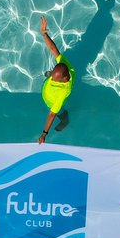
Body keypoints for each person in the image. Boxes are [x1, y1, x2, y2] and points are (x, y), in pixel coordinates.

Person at [36, 16, 75, 144]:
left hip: (51, 102)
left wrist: (44, 133)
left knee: (60, 112)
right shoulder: (66, 66)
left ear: (64, 79)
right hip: (53, 85)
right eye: (52, 76)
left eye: (54, 79)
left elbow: (52, 114)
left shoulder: (62, 93)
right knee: (52, 74)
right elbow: (53, 49)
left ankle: (65, 120)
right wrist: (44, 34)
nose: (52, 80)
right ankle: (51, 73)